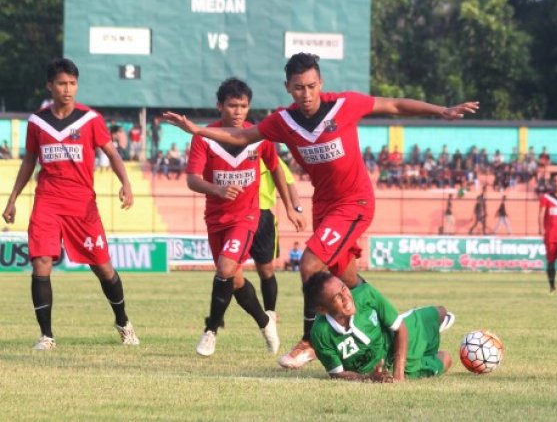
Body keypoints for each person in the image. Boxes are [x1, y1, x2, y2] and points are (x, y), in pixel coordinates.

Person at [163, 52, 478, 369]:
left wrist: (442, 111)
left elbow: (394, 105)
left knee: (310, 264)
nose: (306, 94)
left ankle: (309, 341)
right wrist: (197, 130)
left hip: (355, 201)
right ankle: (403, 324)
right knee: (348, 279)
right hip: (325, 207)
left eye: (312, 86)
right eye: (299, 87)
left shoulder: (344, 105)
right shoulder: (284, 122)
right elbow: (243, 135)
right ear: (288, 87)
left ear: (321, 83)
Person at [2, 58, 138, 350]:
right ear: (50, 85)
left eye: (72, 83)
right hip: (47, 201)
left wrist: (125, 183)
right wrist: (12, 199)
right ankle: (47, 336)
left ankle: (123, 322)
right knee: (41, 262)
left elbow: (112, 154)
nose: (68, 89)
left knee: (103, 268)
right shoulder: (37, 121)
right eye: (62, 83)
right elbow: (29, 161)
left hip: (82, 205)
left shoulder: (90, 119)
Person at [184, 77, 304, 357]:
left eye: (244, 106)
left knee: (225, 270)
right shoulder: (204, 138)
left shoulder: (259, 137)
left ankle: (211, 330)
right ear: (219, 106)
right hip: (216, 219)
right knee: (234, 280)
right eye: (232, 105)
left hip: (246, 217)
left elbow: (276, 170)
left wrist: (288, 207)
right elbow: (191, 179)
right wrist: (216, 188)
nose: (238, 111)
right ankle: (265, 321)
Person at [304, 271, 454, 382]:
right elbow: (336, 374)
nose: (346, 297)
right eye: (337, 297)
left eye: (344, 288)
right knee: (446, 359)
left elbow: (400, 328)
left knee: (440, 312)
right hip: (379, 370)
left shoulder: (366, 294)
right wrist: (368, 378)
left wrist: (398, 373)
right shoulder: (320, 333)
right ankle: (425, 346)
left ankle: (426, 336)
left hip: (393, 342)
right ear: (322, 310)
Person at [251, 151, 303, 317]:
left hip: (263, 216)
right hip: (235, 214)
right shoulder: (231, 154)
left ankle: (270, 314)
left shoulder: (271, 157)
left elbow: (289, 183)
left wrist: (297, 209)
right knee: (229, 270)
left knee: (265, 270)